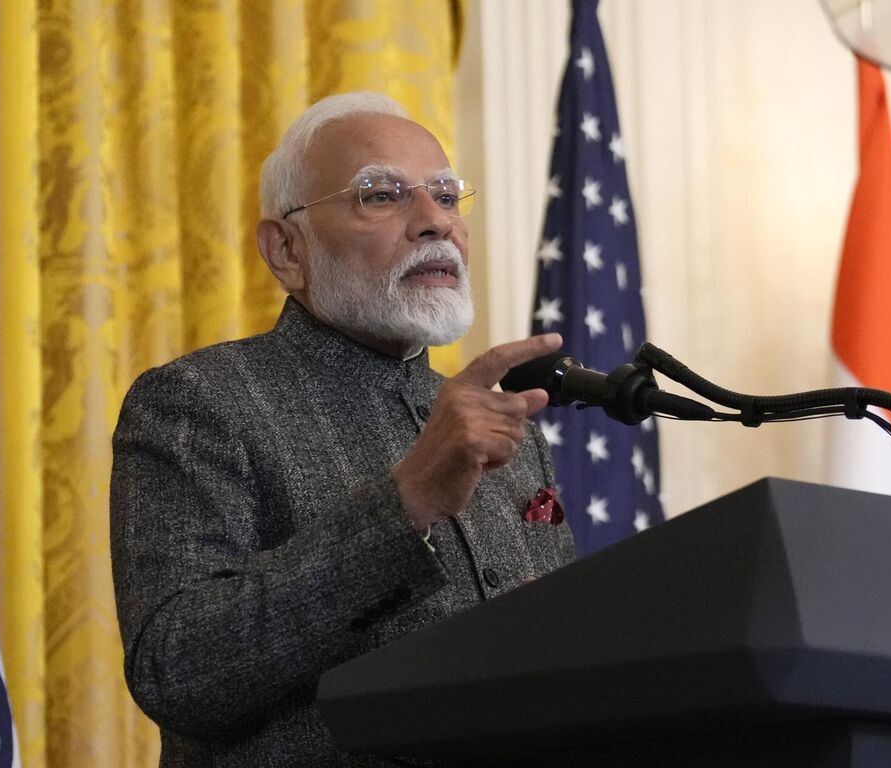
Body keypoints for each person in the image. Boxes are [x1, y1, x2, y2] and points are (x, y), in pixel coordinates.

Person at [110, 92, 576, 767]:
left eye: (446, 196)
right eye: (381, 195)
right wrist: (404, 503)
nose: (434, 223)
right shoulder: (199, 403)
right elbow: (177, 672)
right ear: (286, 249)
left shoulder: (506, 426)